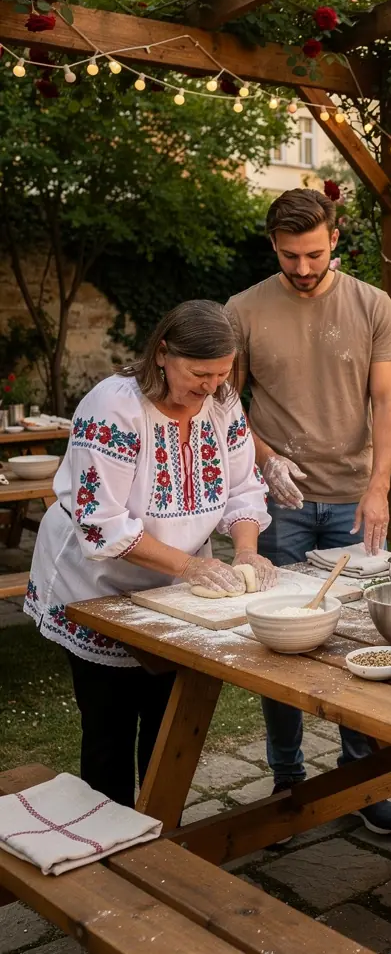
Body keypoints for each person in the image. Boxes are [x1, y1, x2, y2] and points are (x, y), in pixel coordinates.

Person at [23, 301, 273, 807]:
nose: (210, 386)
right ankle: (107, 847)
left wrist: (246, 549)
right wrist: (192, 566)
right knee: (109, 730)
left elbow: (244, 487)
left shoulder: (222, 403)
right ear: (163, 353)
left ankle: (156, 831)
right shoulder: (113, 407)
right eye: (199, 373)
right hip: (97, 586)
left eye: (222, 374)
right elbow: (102, 520)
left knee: (168, 726)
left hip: (176, 591)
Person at [226, 188, 391, 835]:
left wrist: (379, 485)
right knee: (281, 645)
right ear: (272, 245)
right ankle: (288, 780)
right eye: (289, 255)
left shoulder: (371, 304)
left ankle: (358, 779)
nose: (302, 267)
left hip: (357, 498)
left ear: (335, 239)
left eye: (313, 253)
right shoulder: (243, 309)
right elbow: (224, 401)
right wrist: (265, 455)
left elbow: (388, 403)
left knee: (361, 637)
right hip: (281, 500)